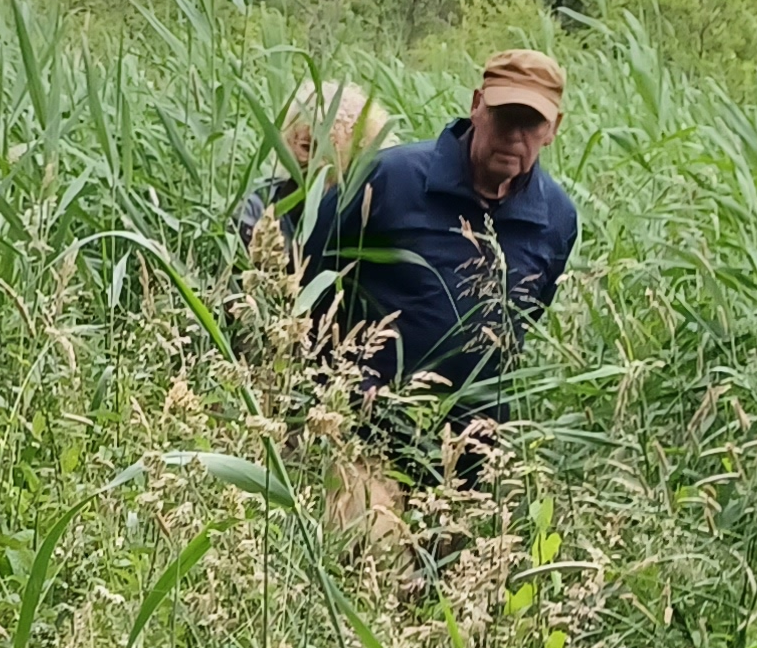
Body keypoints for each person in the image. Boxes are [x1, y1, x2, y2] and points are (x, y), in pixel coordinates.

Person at [297, 48, 579, 493]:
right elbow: (306, 274)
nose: (514, 135)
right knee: (379, 555)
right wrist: (332, 383)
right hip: (361, 432)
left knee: (454, 561)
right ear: (476, 106)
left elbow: (523, 321)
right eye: (504, 116)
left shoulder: (556, 219)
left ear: (553, 130)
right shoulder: (389, 178)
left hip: (469, 457)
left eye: (531, 124)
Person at [230, 79, 395, 262]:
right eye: (307, 147)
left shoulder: (376, 215)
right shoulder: (256, 206)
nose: (318, 164)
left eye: (334, 155)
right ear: (287, 143)